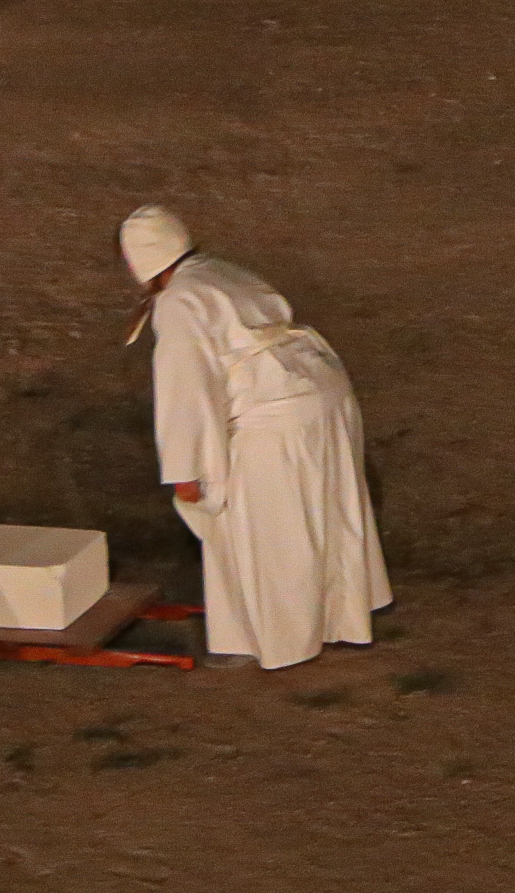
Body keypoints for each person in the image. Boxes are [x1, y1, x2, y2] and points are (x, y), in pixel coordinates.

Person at [122, 204, 392, 670]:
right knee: (324, 508)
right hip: (319, 390)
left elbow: (186, 388)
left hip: (276, 412)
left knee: (267, 529)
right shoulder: (220, 270)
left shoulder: (180, 301)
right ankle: (338, 619)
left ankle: (279, 639)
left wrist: (187, 471)